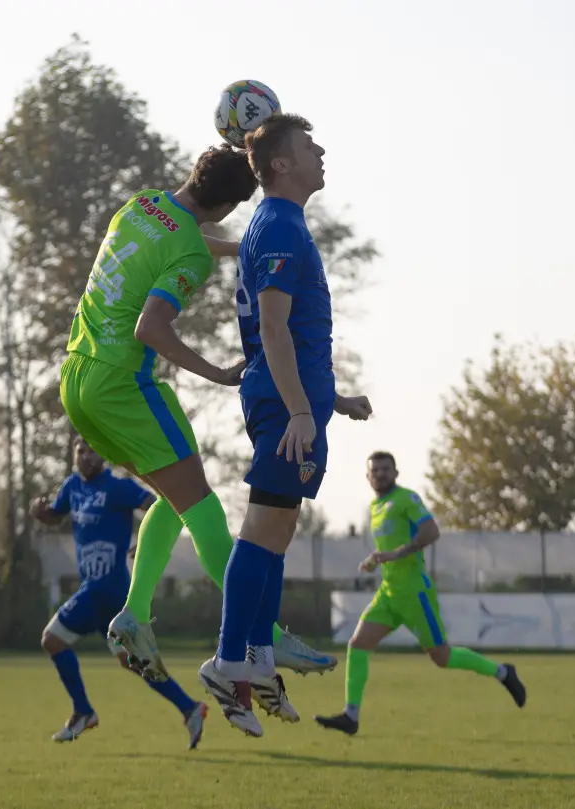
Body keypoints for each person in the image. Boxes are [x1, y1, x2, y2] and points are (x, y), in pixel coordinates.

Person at [58, 144, 337, 692]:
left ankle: (134, 616)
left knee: (174, 494)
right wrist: (214, 372)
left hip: (77, 376)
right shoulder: (192, 254)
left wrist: (236, 248)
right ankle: (263, 634)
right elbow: (150, 327)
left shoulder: (140, 205)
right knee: (204, 509)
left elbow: (183, 233)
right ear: (234, 202)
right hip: (123, 381)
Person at [197, 114, 373, 738]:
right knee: (262, 528)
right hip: (281, 403)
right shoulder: (274, 223)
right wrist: (300, 409)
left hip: (295, 400)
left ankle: (259, 662)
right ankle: (227, 661)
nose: (320, 150)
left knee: (278, 532)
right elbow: (270, 330)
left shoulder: (285, 224)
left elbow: (293, 334)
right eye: (307, 145)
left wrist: (329, 400)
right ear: (279, 165)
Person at [314, 451, 527, 736]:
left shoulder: (406, 499)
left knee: (442, 657)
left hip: (415, 594)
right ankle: (351, 716)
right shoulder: (376, 507)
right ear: (367, 476)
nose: (380, 474)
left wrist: (397, 553)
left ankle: (503, 672)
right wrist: (376, 559)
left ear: (396, 473)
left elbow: (431, 532)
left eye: (385, 469)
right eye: (374, 470)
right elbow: (391, 547)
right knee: (358, 644)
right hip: (388, 594)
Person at [32, 439, 207, 748]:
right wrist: (40, 512)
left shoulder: (118, 487)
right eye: (81, 450)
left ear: (105, 454)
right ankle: (189, 708)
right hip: (105, 594)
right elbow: (55, 514)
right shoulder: (72, 486)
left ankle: (83, 712)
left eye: (93, 449)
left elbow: (160, 506)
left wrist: (150, 539)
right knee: (133, 661)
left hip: (105, 587)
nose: (87, 455)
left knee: (52, 640)